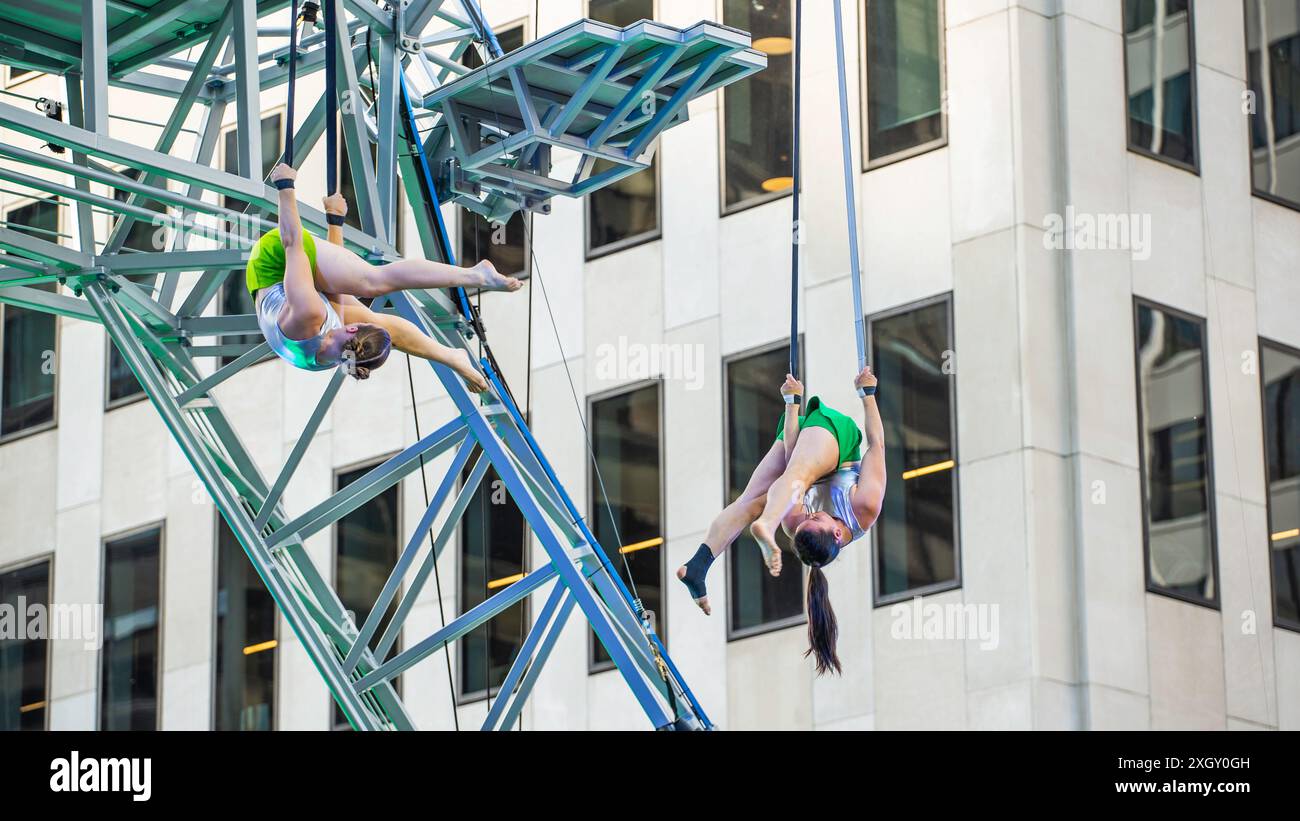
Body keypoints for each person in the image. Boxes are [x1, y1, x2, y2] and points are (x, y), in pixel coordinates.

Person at [676, 365, 887, 675]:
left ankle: (698, 565)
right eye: (817, 517)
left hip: (802, 457)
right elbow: (876, 444)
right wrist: (867, 394)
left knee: (749, 502)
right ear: (838, 535)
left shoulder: (796, 526)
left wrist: (792, 406)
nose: (813, 513)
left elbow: (792, 458)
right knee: (798, 479)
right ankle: (765, 524)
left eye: (809, 516)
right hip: (838, 444)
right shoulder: (864, 507)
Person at [249, 163, 522, 386]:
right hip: (296, 294)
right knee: (370, 308)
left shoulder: (309, 316)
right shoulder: (336, 354)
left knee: (372, 282)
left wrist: (285, 186)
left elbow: (292, 243)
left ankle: (477, 275)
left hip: (272, 263)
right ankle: (450, 356)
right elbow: (333, 288)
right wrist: (335, 223)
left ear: (353, 330)